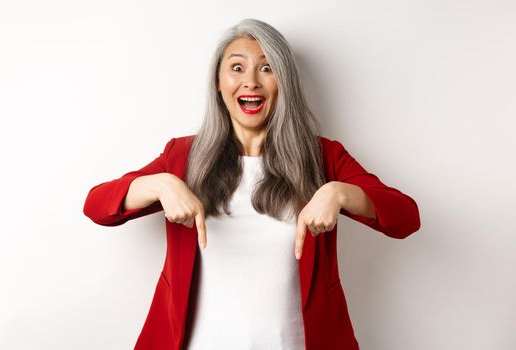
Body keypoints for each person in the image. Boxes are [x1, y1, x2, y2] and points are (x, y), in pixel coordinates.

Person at [83, 18, 421, 350]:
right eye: (237, 68)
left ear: (284, 82)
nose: (251, 82)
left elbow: (406, 218)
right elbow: (97, 206)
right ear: (218, 81)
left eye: (266, 68)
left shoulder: (323, 157)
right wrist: (160, 185)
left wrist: (340, 192)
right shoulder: (183, 156)